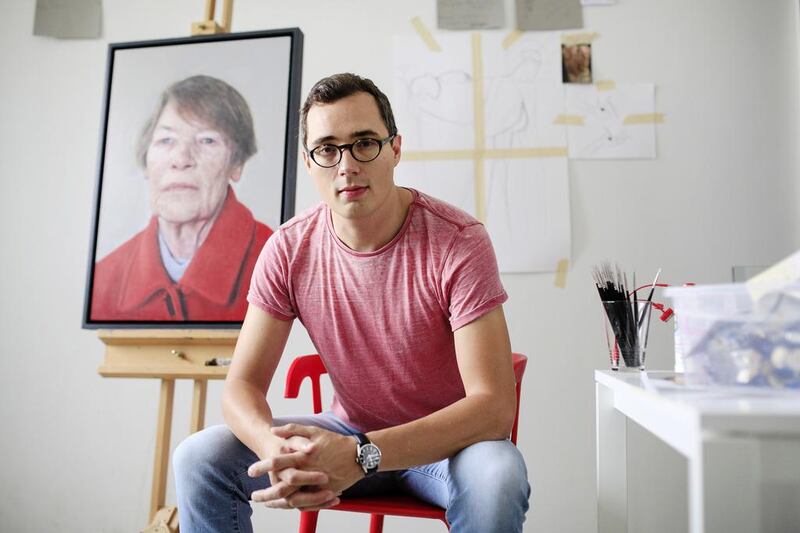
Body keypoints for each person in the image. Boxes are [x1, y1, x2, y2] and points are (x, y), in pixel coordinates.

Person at [173, 73, 530, 532]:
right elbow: (240, 387)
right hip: (346, 435)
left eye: (364, 143)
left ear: (395, 149)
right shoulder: (289, 248)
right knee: (200, 457)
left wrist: (363, 454)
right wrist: (274, 449)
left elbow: (494, 407)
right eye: (327, 149)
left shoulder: (458, 241)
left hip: (449, 450)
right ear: (309, 161)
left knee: (498, 474)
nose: (346, 166)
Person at [90, 75, 273, 322]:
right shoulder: (105, 277)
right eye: (166, 140)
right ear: (146, 161)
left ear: (237, 163)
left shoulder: (275, 262)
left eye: (207, 140)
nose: (181, 159)